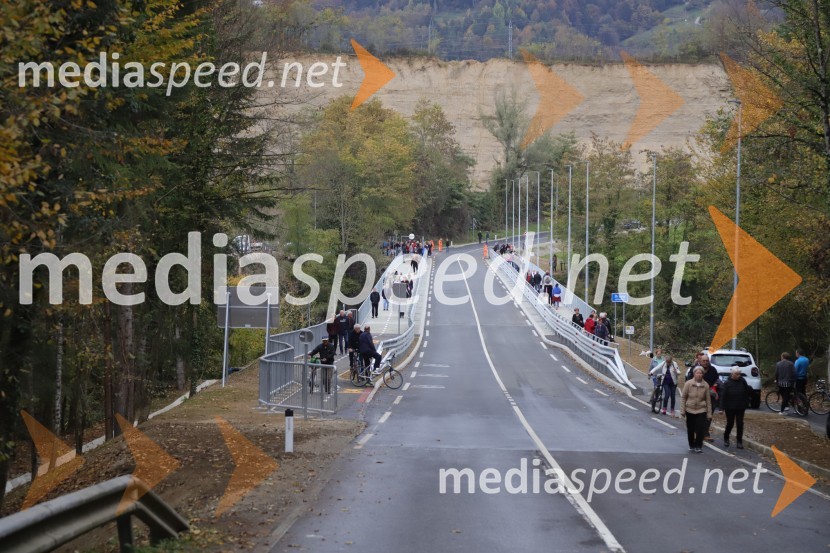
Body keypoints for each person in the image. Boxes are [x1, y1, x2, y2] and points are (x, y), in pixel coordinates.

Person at [719, 366, 752, 448]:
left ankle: (739, 441)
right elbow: (723, 396)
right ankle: (726, 437)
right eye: (736, 374)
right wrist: (721, 408)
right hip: (729, 406)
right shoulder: (727, 383)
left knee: (740, 423)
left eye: (739, 374)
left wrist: (748, 398)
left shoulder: (742, 381)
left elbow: (747, 391)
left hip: (740, 406)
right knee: (730, 423)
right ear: (732, 374)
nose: (738, 375)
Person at [682, 366, 712, 453]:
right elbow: (684, 397)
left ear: (703, 374)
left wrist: (709, 413)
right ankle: (691, 445)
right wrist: (682, 410)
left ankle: (698, 446)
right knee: (690, 429)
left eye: (701, 373)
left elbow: (708, 400)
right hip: (690, 409)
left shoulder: (705, 385)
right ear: (694, 374)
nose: (699, 375)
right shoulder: (688, 384)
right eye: (697, 373)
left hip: (701, 409)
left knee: (700, 429)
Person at [699, 355, 719, 441]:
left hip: (710, 395)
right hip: (699, 396)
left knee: (709, 415)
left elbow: (717, 380)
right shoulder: (697, 370)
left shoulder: (713, 370)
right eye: (704, 361)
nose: (705, 362)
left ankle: (705, 433)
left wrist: (716, 385)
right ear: (700, 361)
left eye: (707, 361)